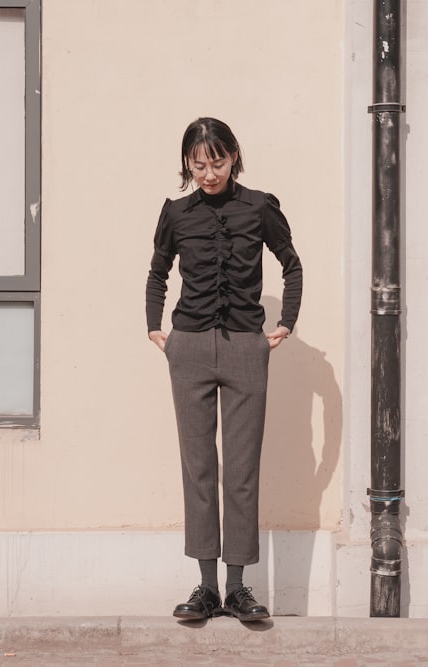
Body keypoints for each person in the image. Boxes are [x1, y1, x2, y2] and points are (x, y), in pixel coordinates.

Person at [145, 117, 303, 622]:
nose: (208, 174)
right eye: (198, 164)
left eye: (216, 162)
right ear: (187, 163)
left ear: (234, 156)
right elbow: (157, 271)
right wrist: (156, 328)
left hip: (244, 348)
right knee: (199, 468)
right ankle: (206, 587)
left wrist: (285, 324)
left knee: (240, 470)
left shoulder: (259, 207)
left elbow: (291, 264)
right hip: (188, 347)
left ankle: (238, 588)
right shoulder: (175, 212)